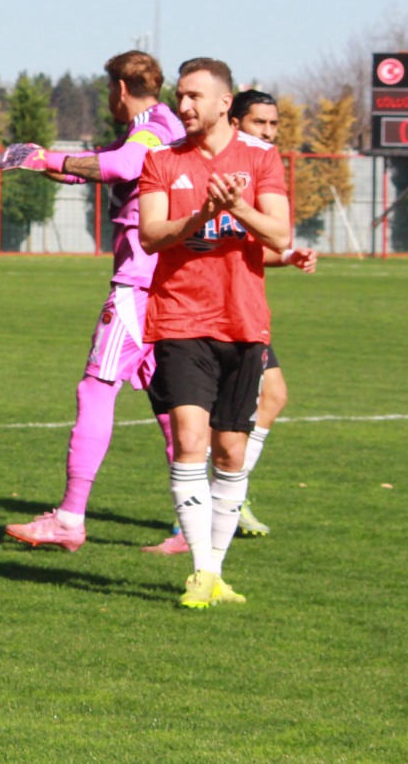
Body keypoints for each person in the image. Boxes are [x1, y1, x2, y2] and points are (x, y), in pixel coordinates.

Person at [0, 51, 186, 551]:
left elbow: (123, 166)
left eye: (109, 91)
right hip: (162, 285)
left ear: (120, 89)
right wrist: (41, 160)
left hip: (138, 285)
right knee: (169, 408)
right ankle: (194, 523)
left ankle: (70, 517)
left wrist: (49, 158)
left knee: (95, 391)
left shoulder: (154, 124)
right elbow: (96, 167)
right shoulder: (149, 128)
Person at [138, 58, 291, 608]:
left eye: (195, 96)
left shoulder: (262, 158)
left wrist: (238, 207)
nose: (184, 106)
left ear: (225, 102)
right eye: (180, 96)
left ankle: (217, 571)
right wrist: (204, 214)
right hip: (179, 318)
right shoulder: (161, 160)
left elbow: (280, 231)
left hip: (243, 322)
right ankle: (200, 571)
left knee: (230, 451)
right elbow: (153, 236)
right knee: (190, 439)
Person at [227, 89, 317, 537]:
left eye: (273, 124)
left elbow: (252, 248)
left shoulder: (261, 168)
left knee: (273, 396)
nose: (267, 131)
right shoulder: (223, 168)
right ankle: (203, 509)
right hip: (209, 311)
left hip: (245, 307)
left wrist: (289, 256)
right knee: (199, 424)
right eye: (258, 122)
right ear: (235, 121)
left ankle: (231, 495)